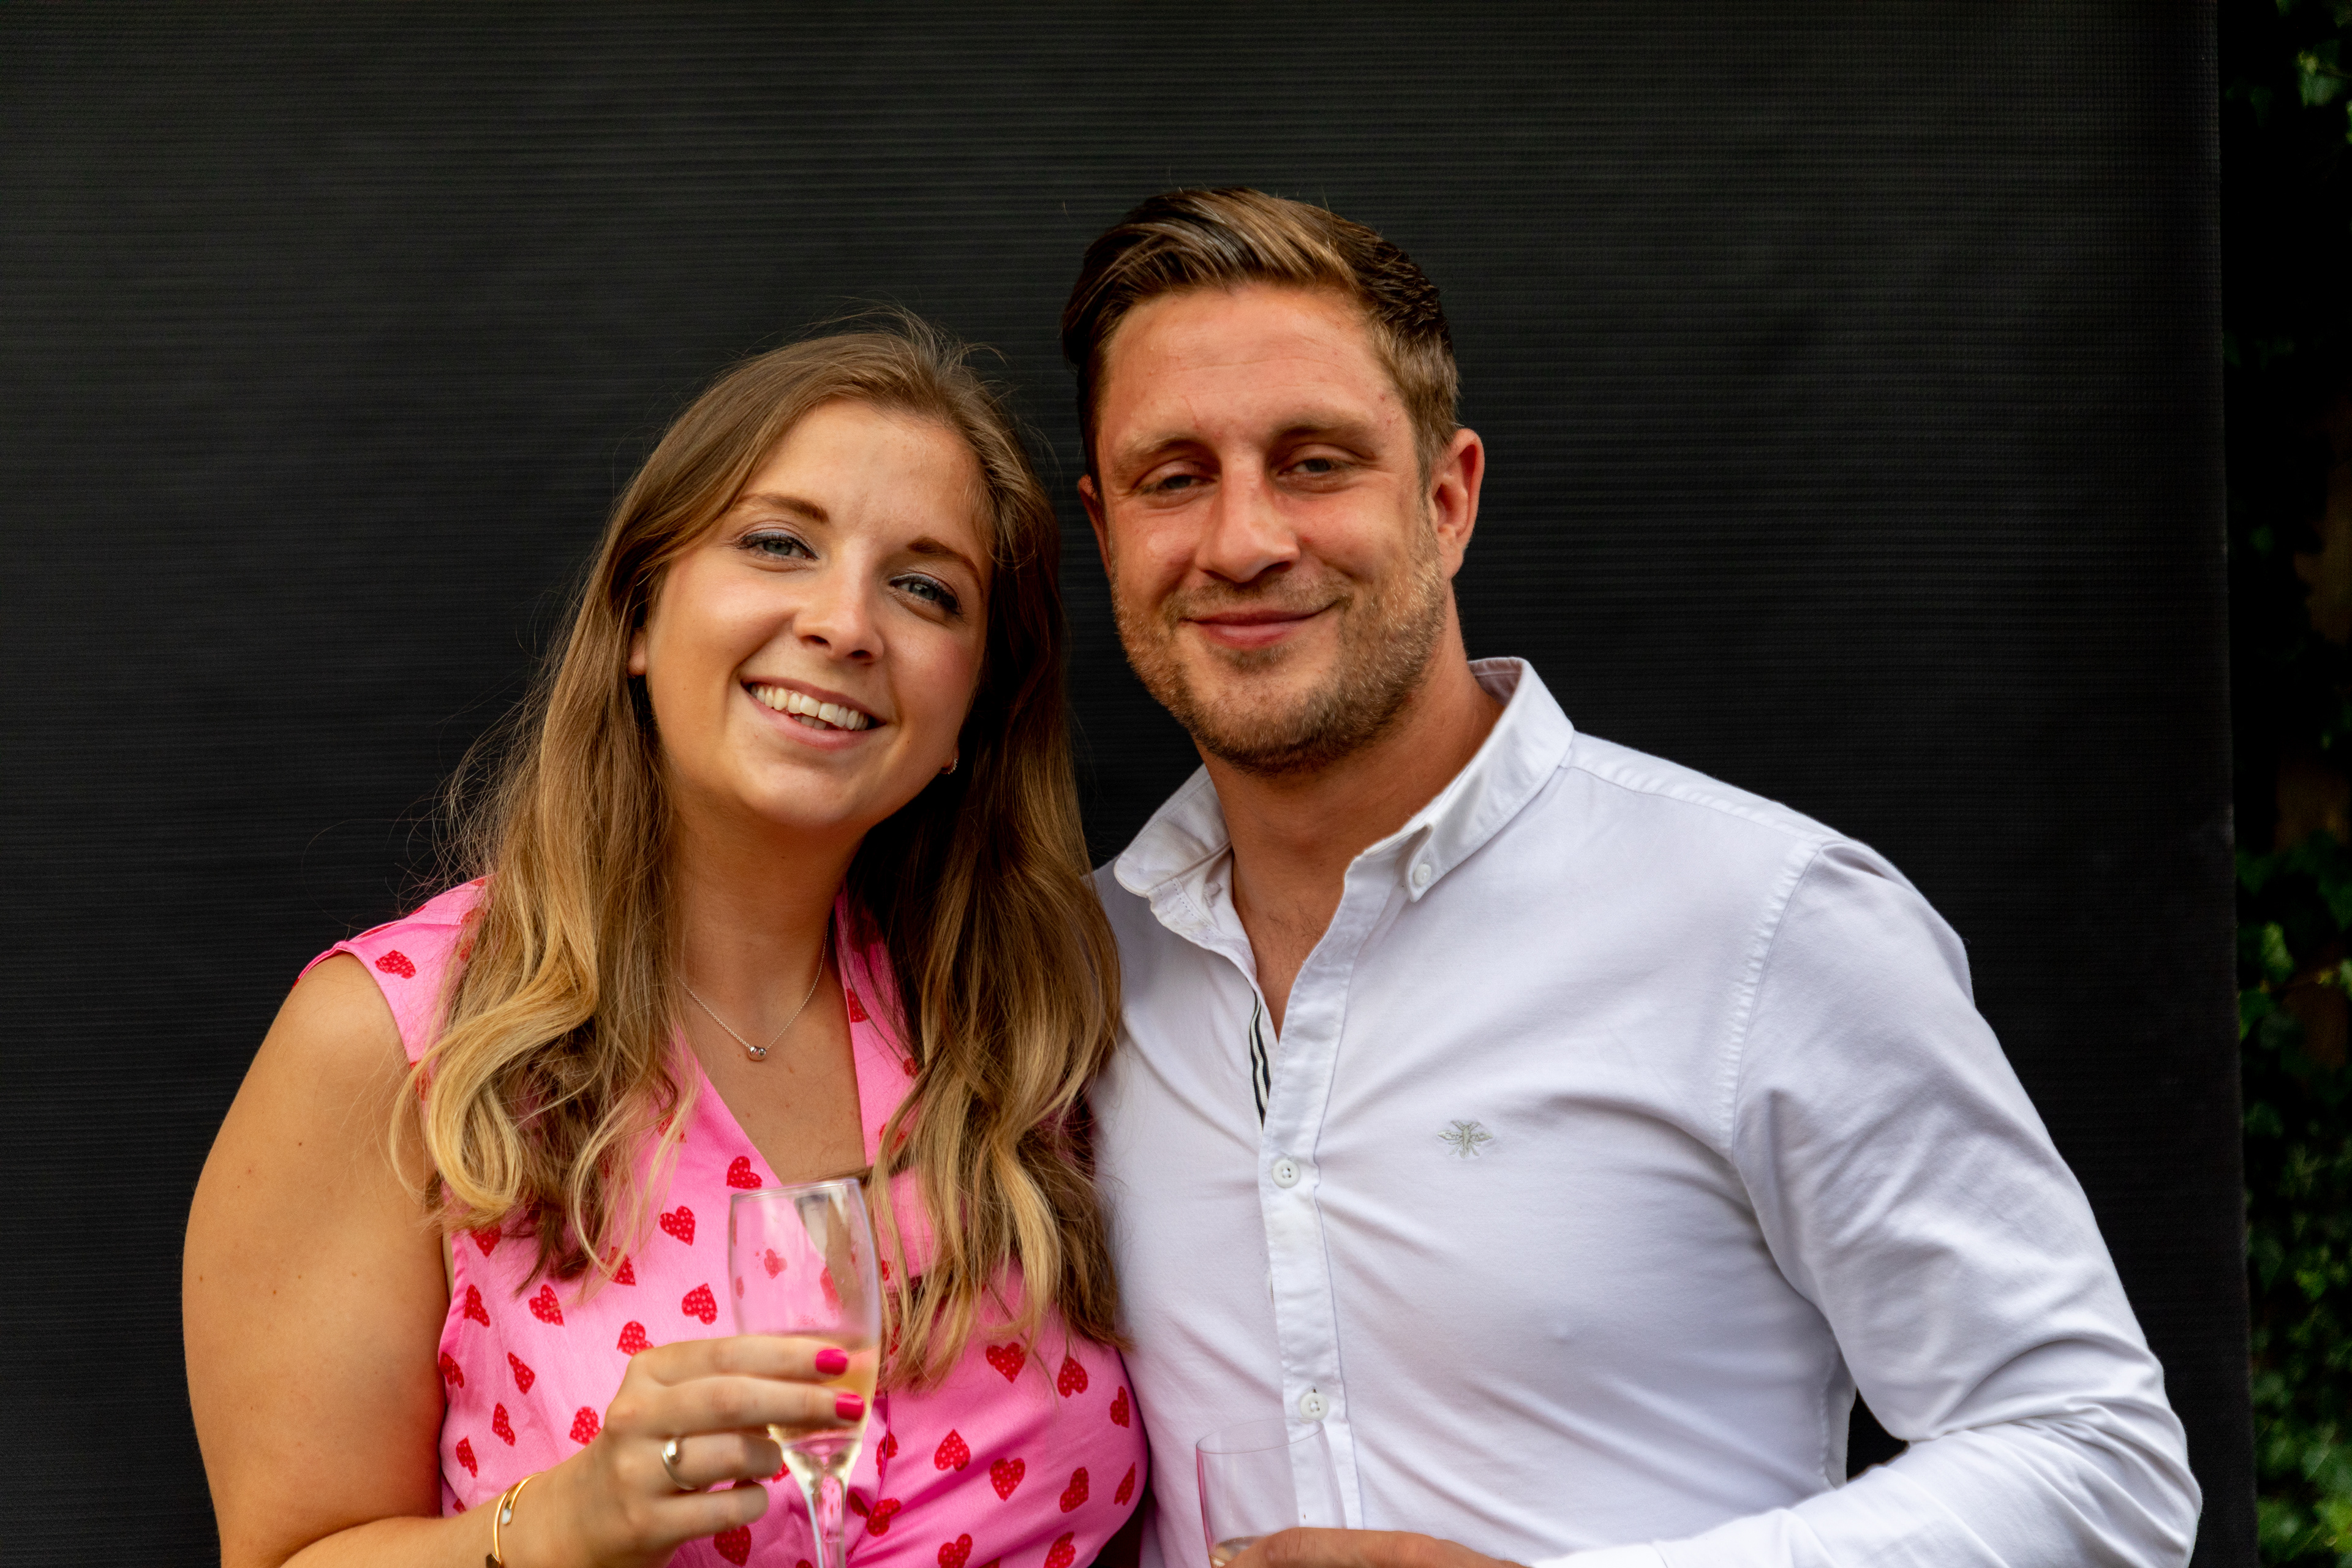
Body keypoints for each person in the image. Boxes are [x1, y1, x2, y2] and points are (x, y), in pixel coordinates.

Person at [1063, 189, 2200, 1568]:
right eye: (1172, 475)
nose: (1243, 538)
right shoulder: (1069, 970)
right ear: (1107, 526)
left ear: (1447, 497)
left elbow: (2100, 1461)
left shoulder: (1763, 918)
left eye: (1314, 461)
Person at [185, 322, 1147, 1568]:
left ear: (970, 707)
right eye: (778, 543)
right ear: (640, 614)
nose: (846, 622)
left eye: (926, 587)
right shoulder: (397, 1036)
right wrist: (557, 1529)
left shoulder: (1032, 1033)